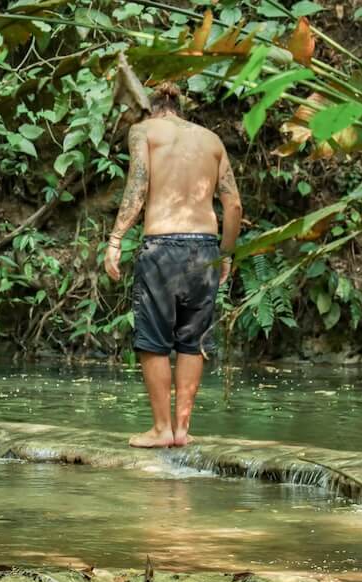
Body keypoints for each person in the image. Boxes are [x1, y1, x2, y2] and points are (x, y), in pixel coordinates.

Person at [104, 82, 242, 448]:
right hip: (205, 249)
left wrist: (117, 238)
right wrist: (225, 254)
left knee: (153, 341)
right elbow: (233, 205)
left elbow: (138, 184)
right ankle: (182, 431)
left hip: (162, 246)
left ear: (151, 108)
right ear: (179, 106)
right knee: (192, 342)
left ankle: (161, 429)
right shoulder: (212, 140)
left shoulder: (144, 131)